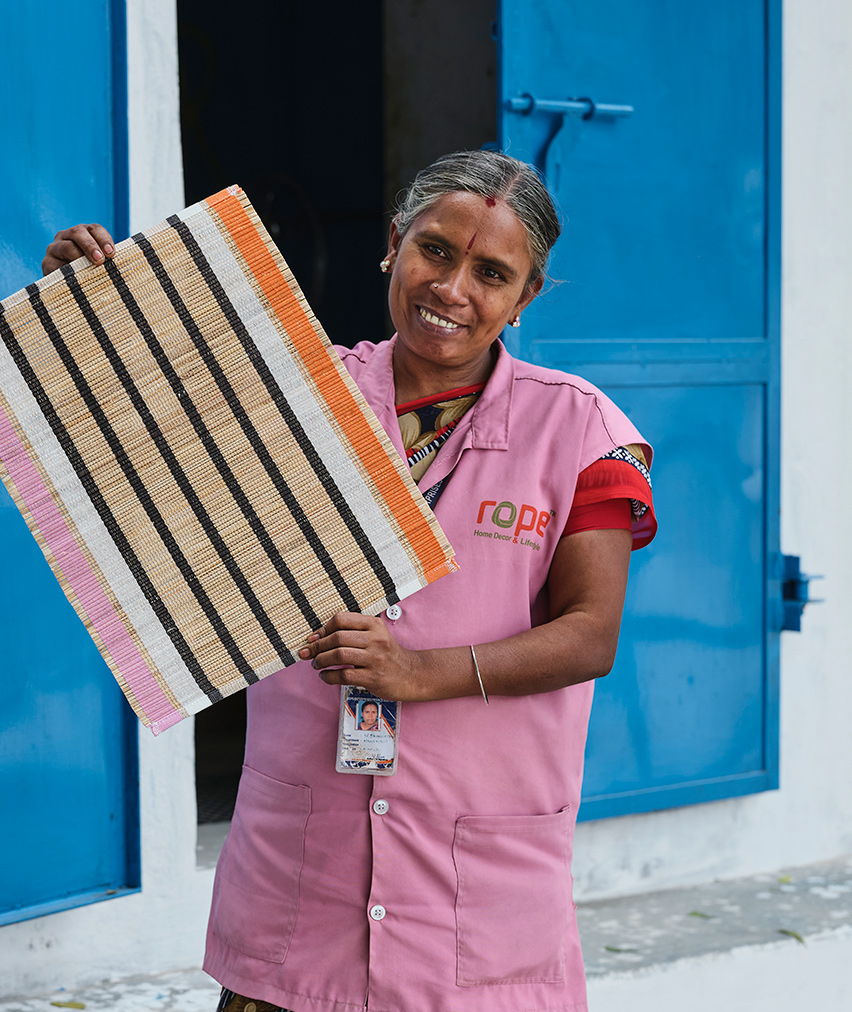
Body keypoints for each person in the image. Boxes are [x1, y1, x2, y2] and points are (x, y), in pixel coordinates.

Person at [44, 149, 656, 1012]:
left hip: (479, 891)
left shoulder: (584, 430)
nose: (451, 287)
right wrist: (84, 313)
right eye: (435, 251)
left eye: (491, 272)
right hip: (302, 883)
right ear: (394, 243)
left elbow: (591, 633)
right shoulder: (296, 394)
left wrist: (419, 673)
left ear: (526, 298)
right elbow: (148, 444)